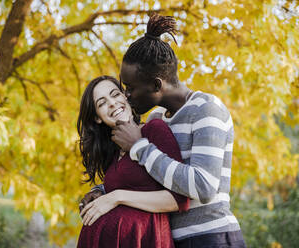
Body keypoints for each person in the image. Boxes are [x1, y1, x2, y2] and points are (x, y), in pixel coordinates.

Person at [81, 14, 246, 248]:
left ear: (157, 85)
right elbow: (148, 179)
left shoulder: (207, 109)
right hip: (172, 238)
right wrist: (102, 191)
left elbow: (204, 187)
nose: (126, 95)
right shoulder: (157, 118)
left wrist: (139, 147)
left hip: (211, 238)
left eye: (130, 88)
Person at [76, 75, 189, 248]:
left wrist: (116, 197)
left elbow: (178, 200)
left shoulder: (154, 130)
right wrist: (100, 193)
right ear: (97, 117)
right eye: (102, 103)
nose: (112, 103)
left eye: (115, 94)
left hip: (145, 239)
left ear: (125, 96)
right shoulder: (113, 152)